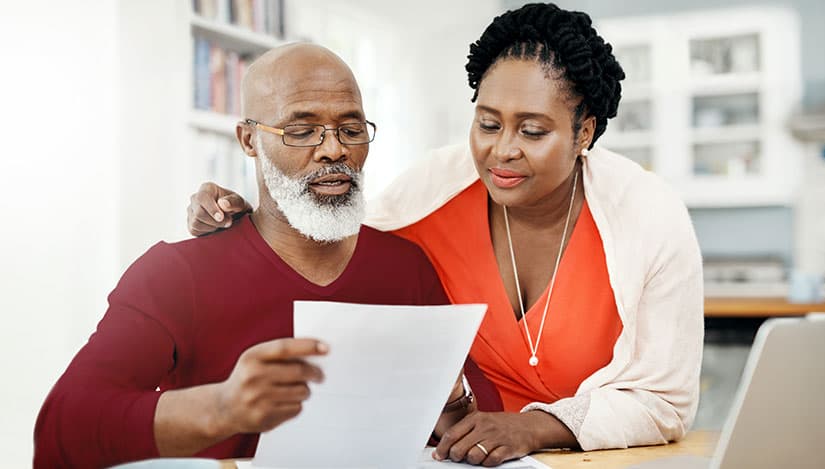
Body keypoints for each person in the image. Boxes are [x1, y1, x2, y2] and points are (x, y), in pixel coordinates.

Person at [188, 3, 704, 467]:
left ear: (583, 133)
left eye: (533, 131)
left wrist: (534, 427)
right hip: (455, 458)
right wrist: (238, 217)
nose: (503, 150)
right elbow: (325, 244)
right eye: (487, 123)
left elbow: (666, 402)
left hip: (603, 461)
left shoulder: (647, 216)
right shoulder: (433, 190)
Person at [33, 43, 457, 468]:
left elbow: (456, 422)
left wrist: (455, 400)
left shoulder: (407, 266)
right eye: (302, 131)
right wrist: (223, 407)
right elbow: (63, 429)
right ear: (249, 139)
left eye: (350, 129)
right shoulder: (175, 274)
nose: (334, 150)